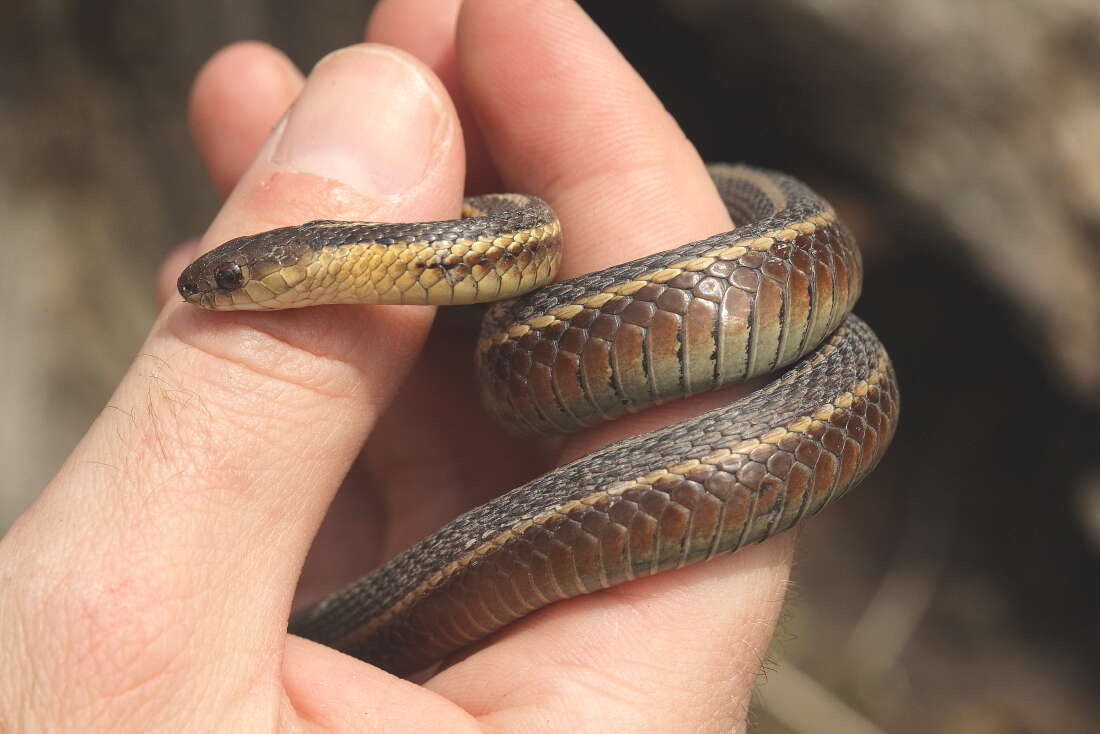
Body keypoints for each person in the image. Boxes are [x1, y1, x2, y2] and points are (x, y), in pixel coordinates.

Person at [0, 0, 796, 730]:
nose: (213, 294)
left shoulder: (437, 242)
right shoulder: (413, 258)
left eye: (235, 281)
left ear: (309, 257)